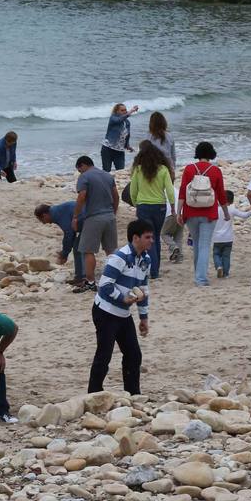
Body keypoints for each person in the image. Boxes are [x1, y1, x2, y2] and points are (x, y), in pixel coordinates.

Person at [89, 219, 153, 395]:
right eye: (148, 237)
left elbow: (143, 289)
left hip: (123, 314)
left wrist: (144, 318)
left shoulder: (146, 259)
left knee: (134, 354)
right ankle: (94, 393)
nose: (151, 240)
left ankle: (133, 394)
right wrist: (122, 298)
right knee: (104, 354)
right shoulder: (120, 257)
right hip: (105, 311)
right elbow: (105, 285)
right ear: (135, 238)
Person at [177, 142, 229, 287]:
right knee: (205, 245)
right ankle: (201, 278)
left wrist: (179, 212)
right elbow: (221, 195)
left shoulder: (189, 169)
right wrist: (226, 213)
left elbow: (182, 191)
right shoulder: (215, 171)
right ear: (211, 153)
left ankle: (198, 274)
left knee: (197, 244)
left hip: (190, 211)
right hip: (209, 213)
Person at [128, 141, 177, 280]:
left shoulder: (138, 170)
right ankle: (155, 270)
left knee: (146, 238)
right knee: (155, 237)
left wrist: (135, 203)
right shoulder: (163, 170)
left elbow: (133, 190)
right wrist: (172, 207)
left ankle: (150, 270)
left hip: (143, 206)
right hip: (159, 207)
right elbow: (170, 190)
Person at [73, 155, 118, 292]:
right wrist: (113, 212)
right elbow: (116, 196)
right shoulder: (107, 176)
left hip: (94, 217)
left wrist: (75, 216)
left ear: (82, 166)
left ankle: (91, 282)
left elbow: (82, 196)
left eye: (79, 170)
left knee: (88, 250)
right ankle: (114, 279)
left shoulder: (85, 176)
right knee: (110, 250)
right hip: (110, 216)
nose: (80, 173)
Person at [33, 202, 84, 288]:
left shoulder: (58, 215)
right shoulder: (56, 211)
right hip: (89, 220)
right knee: (78, 246)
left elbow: (69, 233)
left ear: (45, 215)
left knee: (78, 248)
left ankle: (81, 278)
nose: (44, 223)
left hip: (90, 222)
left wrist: (64, 254)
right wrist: (65, 252)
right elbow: (71, 233)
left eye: (42, 220)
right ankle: (81, 276)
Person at [211, 190, 251, 278]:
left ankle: (219, 266)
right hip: (228, 238)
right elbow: (244, 215)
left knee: (216, 254)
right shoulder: (232, 209)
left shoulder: (215, 210)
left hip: (217, 238)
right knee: (226, 256)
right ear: (232, 201)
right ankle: (226, 273)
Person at [101, 103, 139, 172]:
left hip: (120, 151)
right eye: (122, 110)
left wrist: (127, 146)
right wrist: (131, 111)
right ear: (116, 111)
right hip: (108, 149)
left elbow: (126, 135)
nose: (124, 111)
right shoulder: (113, 118)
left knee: (121, 171)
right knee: (106, 171)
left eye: (125, 110)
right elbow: (119, 120)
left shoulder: (127, 122)